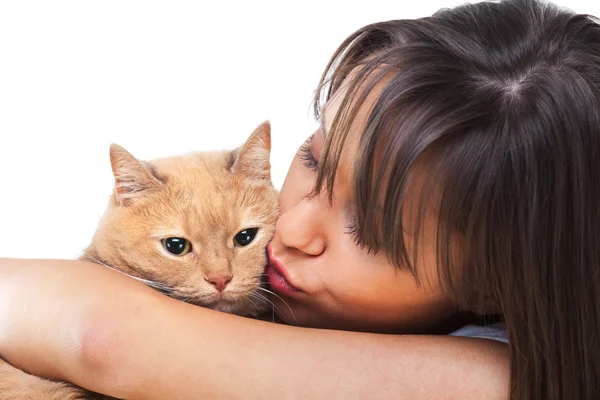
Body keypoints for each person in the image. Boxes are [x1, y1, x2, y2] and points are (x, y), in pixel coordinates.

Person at [1, 0, 599, 398]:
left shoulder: (494, 378)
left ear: (493, 284)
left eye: (368, 229)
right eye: (313, 160)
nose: (292, 231)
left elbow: (102, 337)